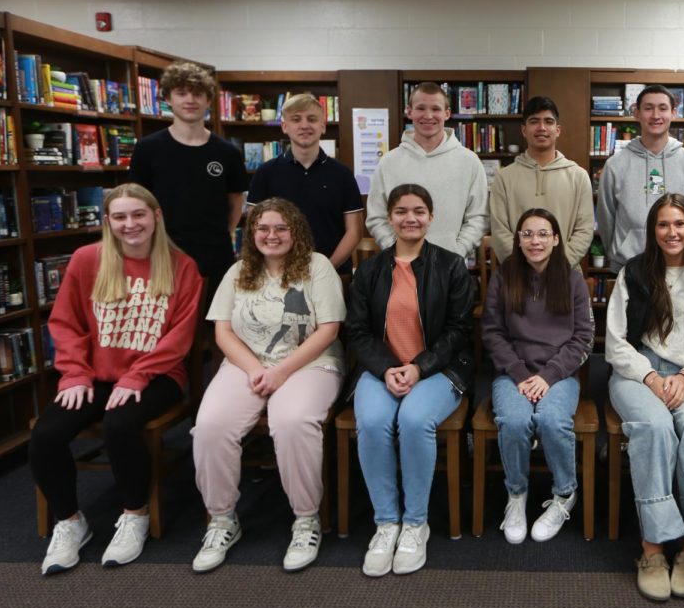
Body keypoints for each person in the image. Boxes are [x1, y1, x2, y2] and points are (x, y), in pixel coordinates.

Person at [30, 183, 203, 575]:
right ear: (107, 222)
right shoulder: (86, 259)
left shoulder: (181, 265)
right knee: (46, 435)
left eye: (138, 215)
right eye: (120, 217)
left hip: (158, 374)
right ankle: (70, 522)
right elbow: (65, 322)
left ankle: (134, 514)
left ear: (156, 217)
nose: (130, 224)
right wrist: (74, 373)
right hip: (94, 374)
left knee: (120, 425)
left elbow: (179, 337)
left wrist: (138, 376)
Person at [190, 198, 345, 573]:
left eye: (280, 228)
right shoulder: (239, 271)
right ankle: (222, 519)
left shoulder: (317, 266)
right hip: (246, 364)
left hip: (310, 363)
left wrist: (280, 372)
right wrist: (255, 368)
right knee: (210, 427)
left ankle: (306, 520)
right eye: (262, 228)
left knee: (291, 422)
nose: (271, 235)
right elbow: (222, 330)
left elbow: (329, 329)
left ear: (296, 232)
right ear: (251, 233)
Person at [605, 193, 684, 601]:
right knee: (655, 428)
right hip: (637, 373)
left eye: (679, 224)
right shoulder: (635, 271)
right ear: (652, 230)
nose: (672, 232)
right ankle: (653, 549)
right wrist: (649, 376)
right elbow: (615, 342)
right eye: (663, 224)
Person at [347, 184, 476, 576]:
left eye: (419, 211)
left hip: (438, 369)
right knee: (370, 422)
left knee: (415, 421)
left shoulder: (452, 266)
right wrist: (387, 367)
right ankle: (387, 523)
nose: (410, 218)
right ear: (389, 218)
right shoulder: (370, 269)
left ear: (431, 217)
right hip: (382, 368)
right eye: (401, 211)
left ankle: (416, 523)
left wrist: (418, 367)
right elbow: (356, 332)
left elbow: (458, 331)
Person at [482, 208, 593, 544]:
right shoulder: (505, 276)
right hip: (513, 373)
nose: (535, 241)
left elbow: (583, 338)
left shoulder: (571, 278)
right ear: (518, 240)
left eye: (544, 233)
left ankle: (563, 495)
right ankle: (516, 495)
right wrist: (518, 373)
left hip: (559, 375)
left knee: (551, 419)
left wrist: (549, 375)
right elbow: (492, 333)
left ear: (556, 239)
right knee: (514, 421)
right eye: (527, 234)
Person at [129, 61, 246, 286]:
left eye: (197, 94)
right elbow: (137, 202)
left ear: (208, 100)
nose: (190, 100)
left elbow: (235, 200)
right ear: (167, 99)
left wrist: (220, 235)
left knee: (215, 320)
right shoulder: (147, 148)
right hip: (163, 254)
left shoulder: (227, 152)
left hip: (216, 256)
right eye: (181, 93)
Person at [365, 83, 487, 259]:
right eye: (420, 108)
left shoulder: (469, 161)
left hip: (451, 269)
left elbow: (478, 217)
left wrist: (455, 253)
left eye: (435, 109)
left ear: (447, 113)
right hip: (401, 266)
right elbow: (376, 217)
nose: (428, 116)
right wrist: (400, 252)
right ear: (409, 111)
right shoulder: (388, 162)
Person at [246, 93, 364, 270]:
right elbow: (254, 227)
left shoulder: (343, 174)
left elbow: (354, 232)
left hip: (334, 273)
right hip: (278, 274)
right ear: (285, 126)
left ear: (323, 126)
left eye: (312, 119)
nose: (304, 125)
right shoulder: (265, 173)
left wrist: (326, 269)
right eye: (296, 119)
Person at [597, 85, 684, 273]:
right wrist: (619, 251)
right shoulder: (615, 165)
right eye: (648, 108)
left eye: (663, 108)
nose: (656, 115)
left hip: (677, 267)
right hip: (627, 267)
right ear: (636, 113)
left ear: (673, 113)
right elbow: (606, 219)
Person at [489, 96, 594, 270]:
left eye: (548, 121)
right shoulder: (504, 177)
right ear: (524, 130)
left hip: (564, 275)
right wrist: (525, 268)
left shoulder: (578, 176)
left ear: (558, 130)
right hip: (517, 277)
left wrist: (557, 266)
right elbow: (500, 232)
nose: (542, 128)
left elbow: (584, 230)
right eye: (534, 121)